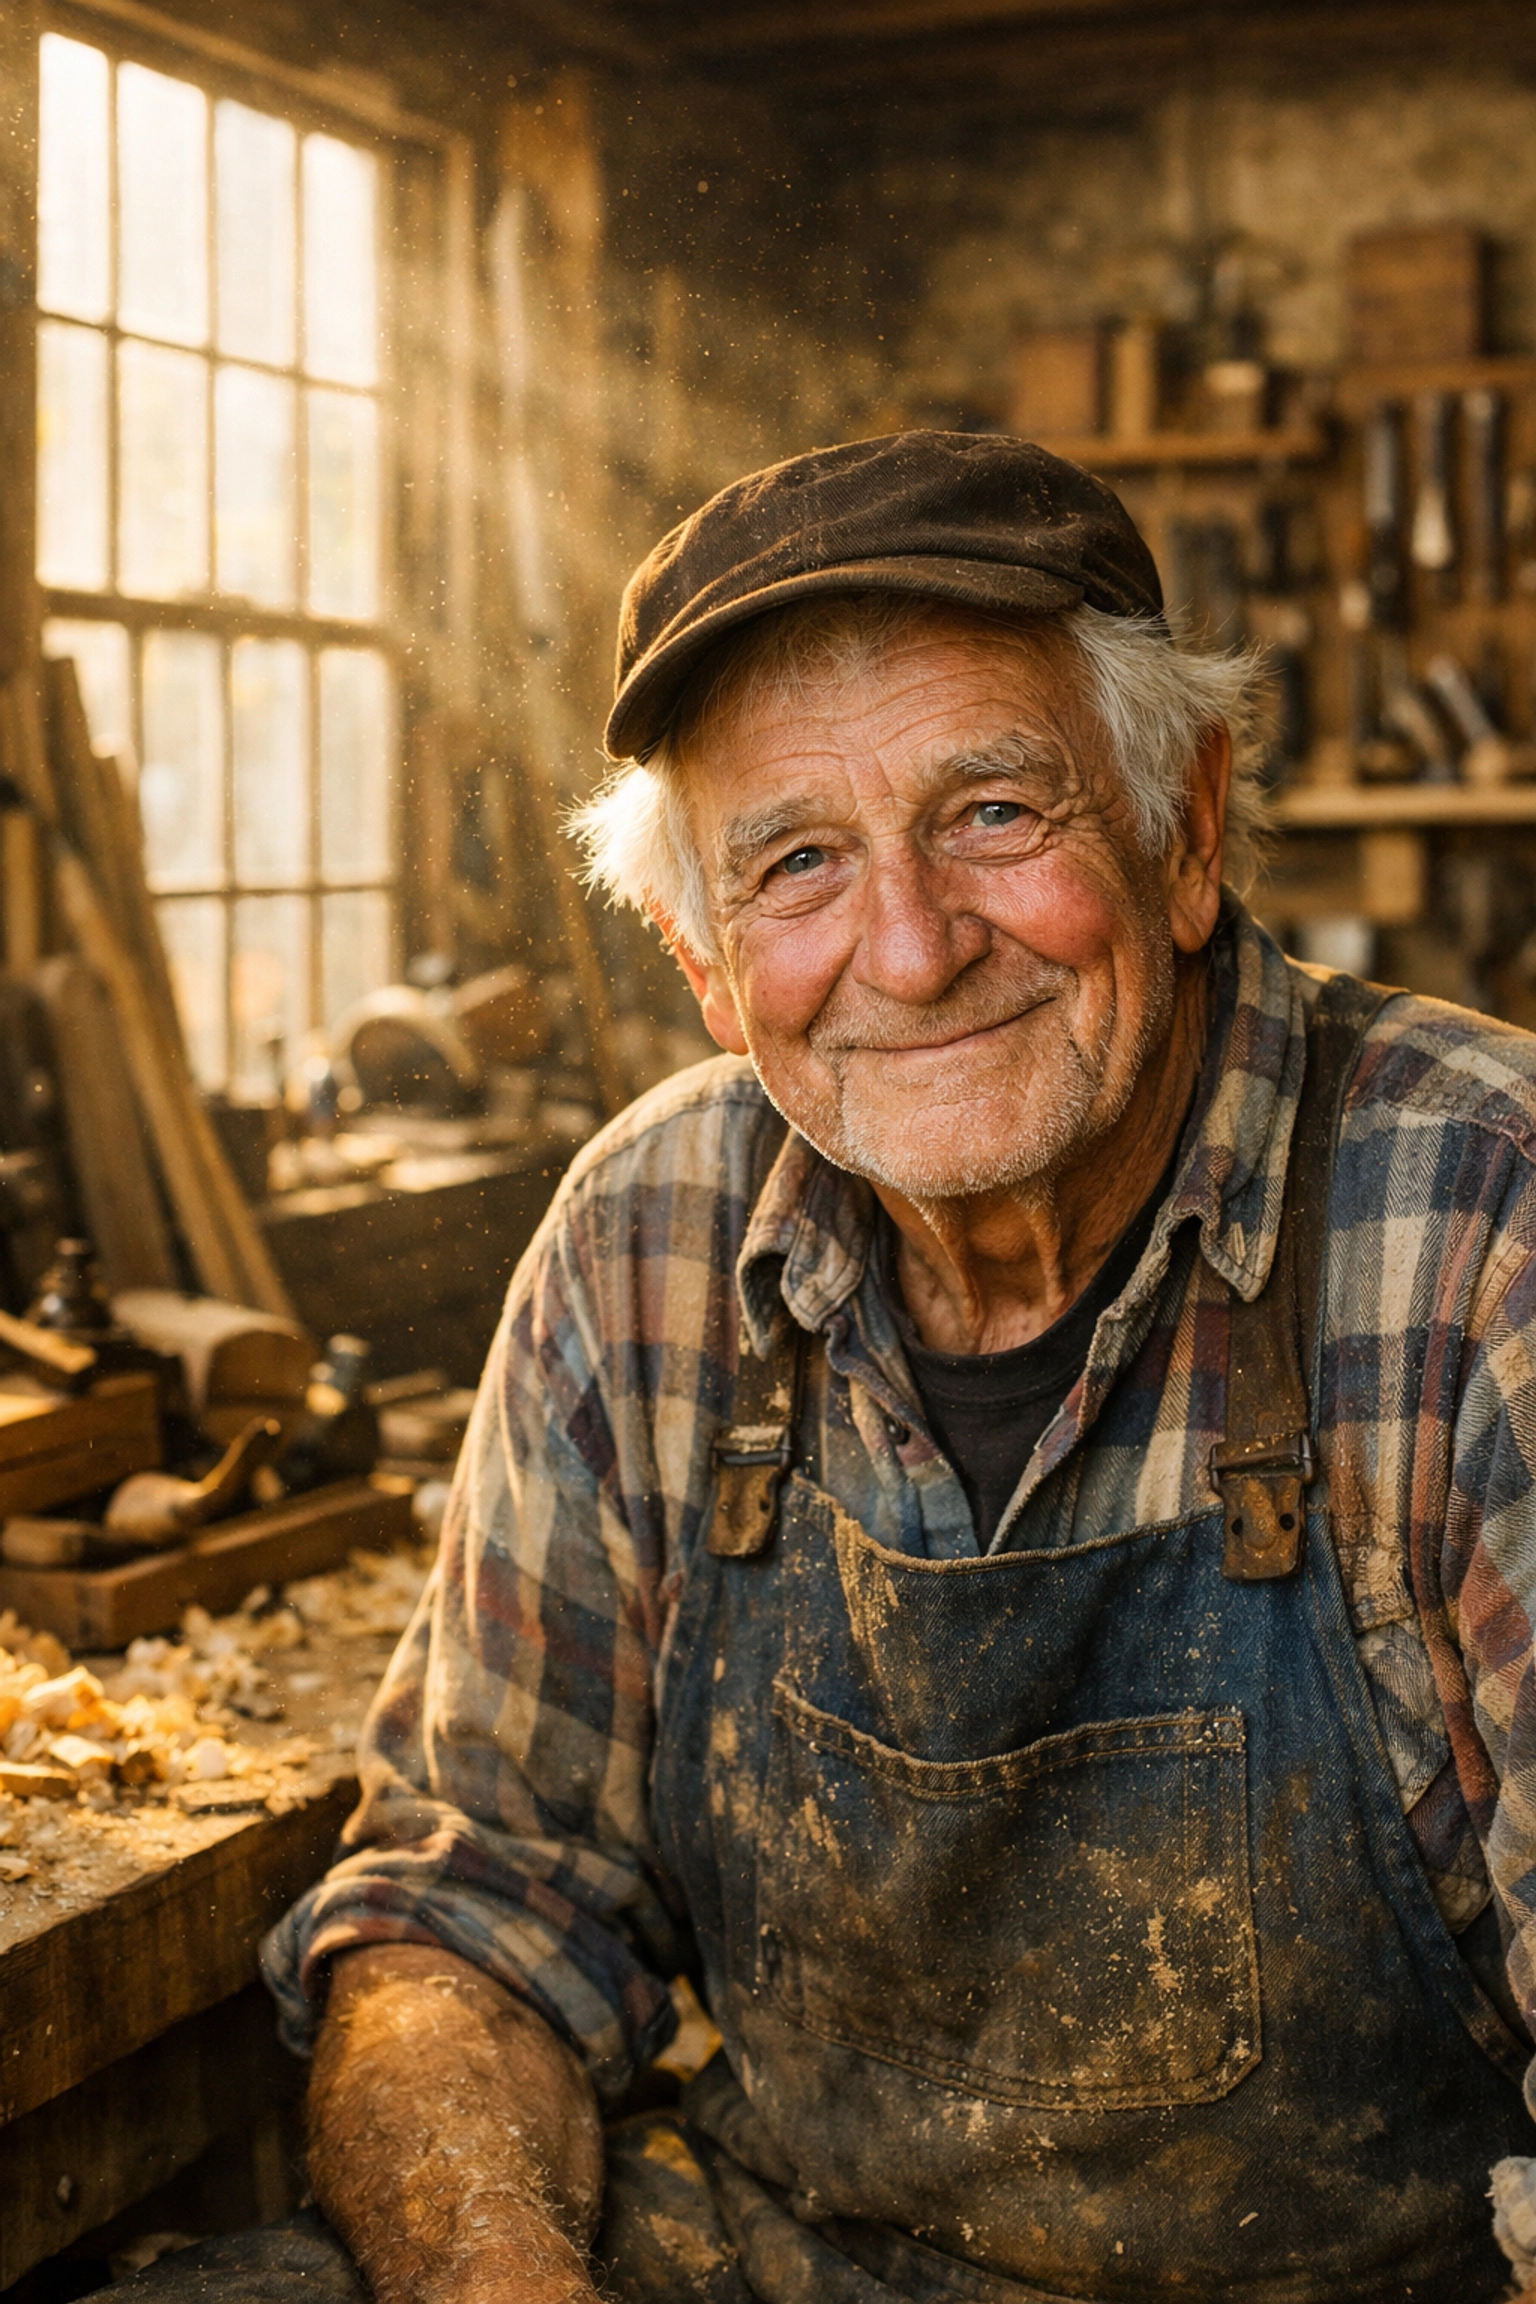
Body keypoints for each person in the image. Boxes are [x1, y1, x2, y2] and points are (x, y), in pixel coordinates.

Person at [121, 435, 1536, 2303]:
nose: (910, 947)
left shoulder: (1475, 1217)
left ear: (1187, 829)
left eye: (995, 816)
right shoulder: (650, 1235)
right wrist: (496, 2274)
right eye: (796, 863)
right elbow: (477, 1904)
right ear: (709, 965)